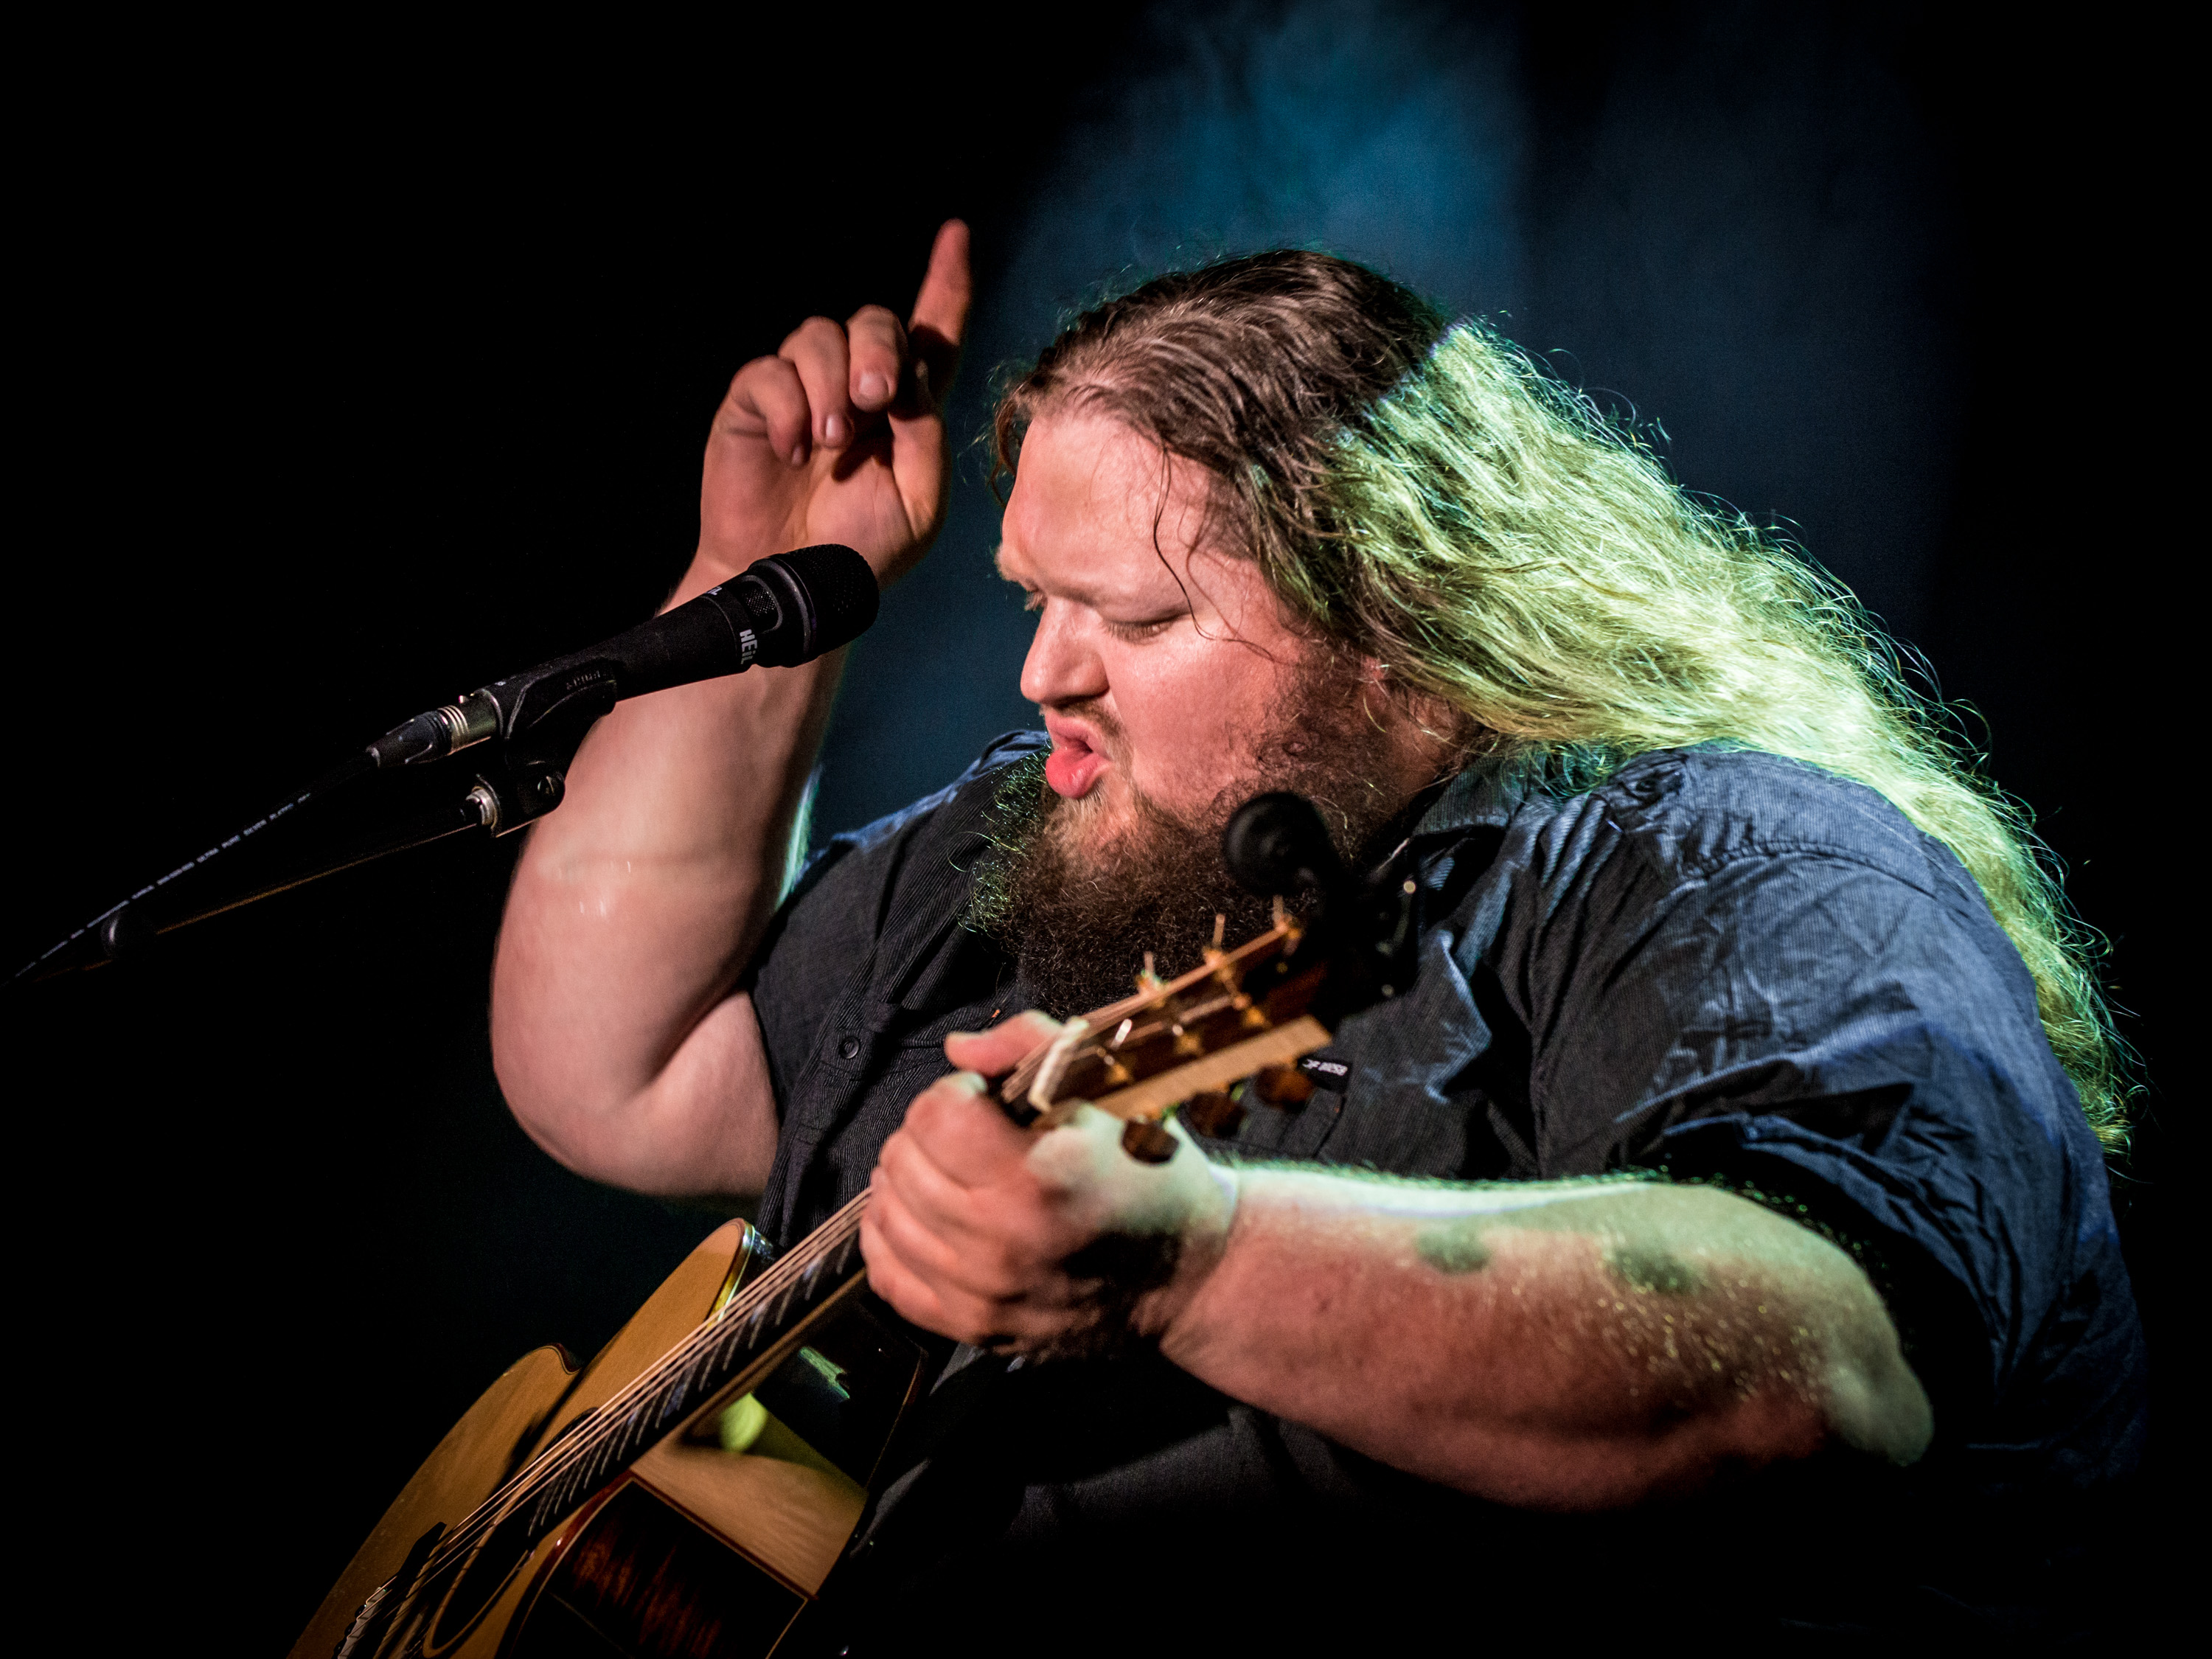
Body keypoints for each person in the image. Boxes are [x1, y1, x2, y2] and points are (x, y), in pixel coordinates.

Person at [490, 221, 2145, 1642]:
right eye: (1029, 598)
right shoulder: (1057, 834)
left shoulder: (1753, 869)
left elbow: (1813, 1377)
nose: (1040, 672)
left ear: (1404, 621)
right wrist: (759, 572)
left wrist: (1194, 1256)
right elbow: (616, 1074)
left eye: (1134, 615)